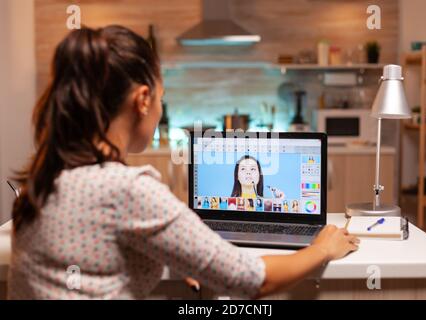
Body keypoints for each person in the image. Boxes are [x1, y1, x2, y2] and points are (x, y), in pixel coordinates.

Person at [8, 25, 359, 300]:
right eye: (162, 97)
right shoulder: (127, 188)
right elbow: (253, 280)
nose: (161, 107)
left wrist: (183, 252)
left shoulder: (45, 175)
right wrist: (322, 248)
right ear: (143, 99)